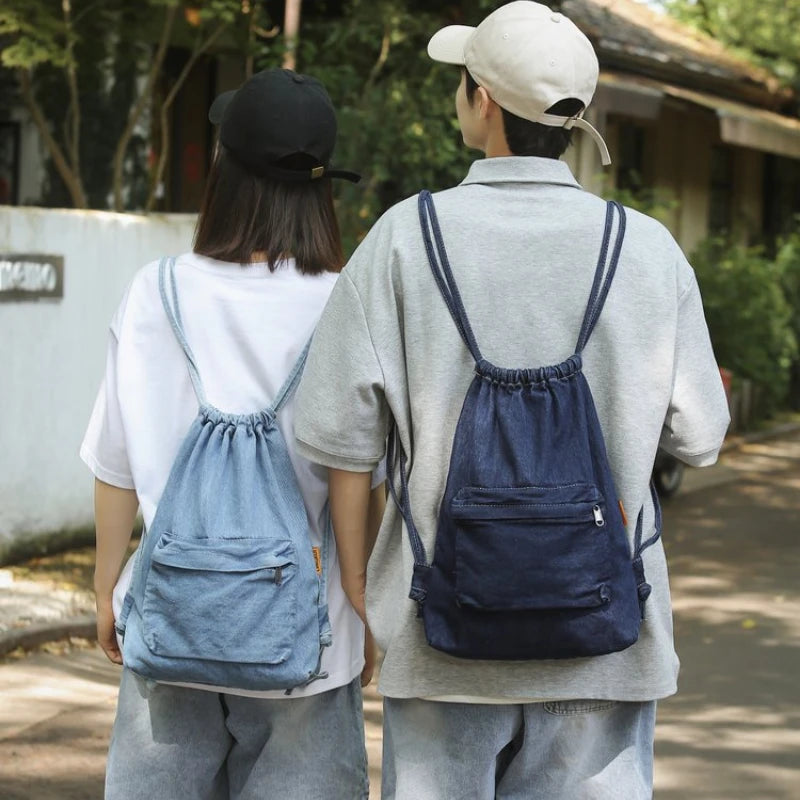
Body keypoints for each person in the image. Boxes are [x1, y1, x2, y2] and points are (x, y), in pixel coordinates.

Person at [293, 2, 730, 798]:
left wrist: (364, 591)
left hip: (440, 640)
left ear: (482, 100)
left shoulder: (402, 238)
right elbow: (699, 435)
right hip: (605, 646)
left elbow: (334, 433)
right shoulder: (648, 250)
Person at [80, 68, 382, 800]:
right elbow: (360, 478)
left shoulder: (157, 290)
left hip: (173, 621)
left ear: (225, 172)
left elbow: (116, 464)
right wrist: (364, 606)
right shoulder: (348, 302)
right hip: (308, 643)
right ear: (321, 189)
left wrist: (104, 590)